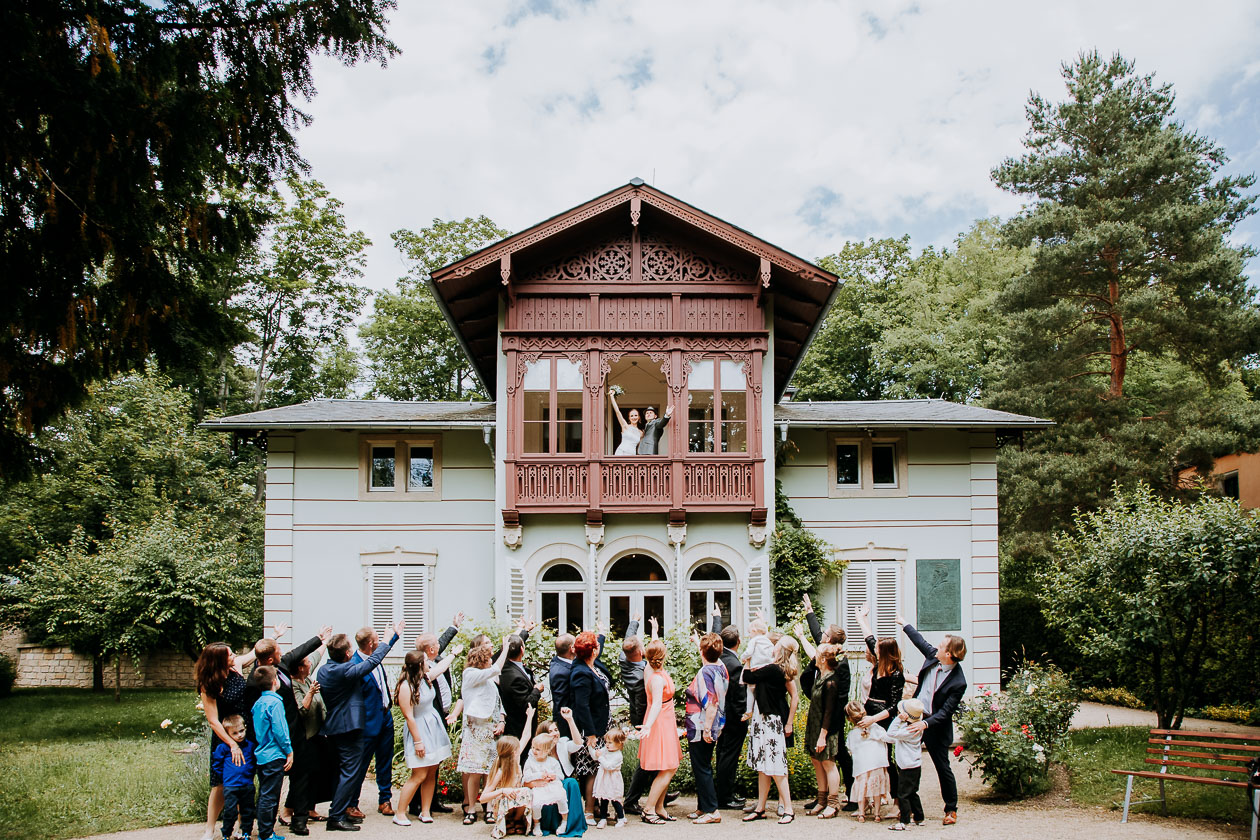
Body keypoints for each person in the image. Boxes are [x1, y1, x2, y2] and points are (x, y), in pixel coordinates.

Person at [319, 620, 403, 832]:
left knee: (348, 771)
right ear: (348, 655)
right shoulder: (348, 670)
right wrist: (386, 640)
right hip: (350, 728)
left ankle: (339, 812)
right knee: (350, 772)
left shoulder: (325, 670)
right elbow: (371, 662)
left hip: (342, 726)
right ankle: (337, 815)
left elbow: (373, 659)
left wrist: (389, 639)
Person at [197, 627, 281, 840]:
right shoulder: (209, 684)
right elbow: (213, 720)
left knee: (243, 781)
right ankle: (210, 829)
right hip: (225, 738)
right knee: (221, 783)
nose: (234, 656)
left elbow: (255, 652)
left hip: (246, 732)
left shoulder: (235, 666)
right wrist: (231, 744)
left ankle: (239, 827)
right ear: (218, 661)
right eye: (230, 654)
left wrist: (275, 636)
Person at [253, 625, 332, 837]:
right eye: (278, 652)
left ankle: (299, 820)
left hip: (297, 733)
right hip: (275, 737)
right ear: (270, 660)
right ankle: (265, 829)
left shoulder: (284, 665)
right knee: (271, 787)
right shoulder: (257, 680)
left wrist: (319, 638)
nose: (283, 654)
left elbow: (299, 652)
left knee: (302, 777)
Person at [897, 613, 967, 826]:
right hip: (915, 716)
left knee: (942, 767)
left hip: (935, 726)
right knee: (906, 762)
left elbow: (945, 712)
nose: (936, 646)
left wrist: (925, 724)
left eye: (941, 645)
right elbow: (921, 642)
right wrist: (904, 623)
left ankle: (951, 809)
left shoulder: (958, 682)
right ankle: (907, 808)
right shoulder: (933, 657)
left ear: (949, 654)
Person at [393, 646, 460, 825]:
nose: (429, 663)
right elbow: (408, 716)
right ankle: (399, 813)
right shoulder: (406, 686)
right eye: (425, 661)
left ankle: (425, 810)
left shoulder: (425, 678)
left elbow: (442, 667)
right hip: (420, 729)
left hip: (433, 727)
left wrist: (454, 653)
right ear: (420, 665)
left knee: (431, 772)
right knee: (419, 774)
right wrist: (418, 742)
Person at [799, 595, 855, 810]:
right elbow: (817, 634)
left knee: (839, 754)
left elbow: (841, 695)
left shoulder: (840, 664)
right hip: (821, 710)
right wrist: (809, 612)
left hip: (833, 715)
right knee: (822, 755)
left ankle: (852, 795)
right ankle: (822, 796)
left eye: (825, 634)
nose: (821, 635)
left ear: (830, 640)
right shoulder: (827, 652)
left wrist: (829, 721)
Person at [740, 635, 799, 825]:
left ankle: (788, 808)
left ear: (780, 650)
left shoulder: (773, 669)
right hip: (765, 719)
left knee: (775, 766)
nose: (772, 647)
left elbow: (747, 677)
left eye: (776, 645)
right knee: (764, 768)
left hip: (769, 721)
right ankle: (761, 808)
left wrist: (748, 656)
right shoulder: (777, 669)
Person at [410, 614, 464, 817]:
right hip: (429, 718)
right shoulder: (423, 668)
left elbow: (439, 643)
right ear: (431, 651)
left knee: (436, 762)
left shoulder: (432, 656)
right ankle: (416, 804)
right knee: (425, 763)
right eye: (436, 646)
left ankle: (432, 801)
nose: (439, 647)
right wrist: (454, 654)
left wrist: (454, 627)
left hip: (441, 715)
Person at [855, 602, 906, 808]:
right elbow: (869, 637)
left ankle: (896, 800)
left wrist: (873, 719)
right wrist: (861, 618)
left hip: (883, 719)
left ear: (884, 652)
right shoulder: (878, 663)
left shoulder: (896, 675)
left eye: (876, 649)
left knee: (886, 759)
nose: (873, 649)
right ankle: (870, 796)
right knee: (867, 755)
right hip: (869, 712)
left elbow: (894, 706)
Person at [458, 635, 513, 824]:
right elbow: (496, 668)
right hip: (475, 730)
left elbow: (497, 702)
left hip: (491, 730)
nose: (491, 661)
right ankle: (471, 808)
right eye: (488, 659)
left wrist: (502, 720)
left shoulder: (490, 680)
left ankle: (489, 808)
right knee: (474, 772)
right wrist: (505, 647)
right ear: (481, 660)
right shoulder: (470, 675)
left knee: (490, 771)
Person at [348, 627, 398, 819]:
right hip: (368, 722)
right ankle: (352, 804)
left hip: (385, 717)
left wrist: (395, 636)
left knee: (385, 761)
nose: (380, 642)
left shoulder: (375, 657)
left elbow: (383, 651)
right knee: (361, 765)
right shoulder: (355, 664)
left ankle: (385, 800)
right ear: (370, 644)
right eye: (378, 640)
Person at [794, 633, 843, 819]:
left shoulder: (830, 681)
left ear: (823, 659)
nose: (814, 656)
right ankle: (821, 799)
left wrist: (823, 735)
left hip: (825, 728)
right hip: (814, 725)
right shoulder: (819, 676)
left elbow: (829, 711)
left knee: (828, 763)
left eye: (817, 654)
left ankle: (833, 802)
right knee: (817, 761)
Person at [683, 632, 728, 825]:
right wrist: (698, 643)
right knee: (704, 765)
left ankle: (711, 810)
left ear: (703, 651)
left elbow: (710, 704)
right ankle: (703, 807)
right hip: (717, 723)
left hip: (702, 726)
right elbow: (708, 659)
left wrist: (707, 729)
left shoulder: (704, 673)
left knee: (701, 767)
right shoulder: (721, 667)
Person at [634, 639, 681, 824]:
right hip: (660, 722)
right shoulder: (657, 678)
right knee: (670, 766)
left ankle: (659, 807)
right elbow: (655, 706)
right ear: (663, 656)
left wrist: (654, 633)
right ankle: (648, 809)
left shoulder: (651, 670)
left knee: (666, 766)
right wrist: (648, 726)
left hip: (665, 720)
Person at [569, 629, 613, 815]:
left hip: (602, 723)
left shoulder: (590, 663)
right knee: (591, 768)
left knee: (599, 766)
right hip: (592, 728)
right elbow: (582, 705)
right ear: (593, 651)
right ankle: (588, 810)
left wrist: (600, 633)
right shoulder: (580, 672)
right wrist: (591, 734)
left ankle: (596, 806)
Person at [252, 665, 295, 840]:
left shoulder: (258, 703)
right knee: (271, 796)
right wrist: (289, 750)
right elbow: (280, 730)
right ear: (275, 681)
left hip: (261, 754)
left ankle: (265, 829)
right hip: (274, 754)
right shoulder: (275, 702)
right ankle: (266, 832)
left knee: (264, 792)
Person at [711, 614, 748, 812]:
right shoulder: (734, 665)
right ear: (739, 642)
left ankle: (723, 793)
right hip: (733, 719)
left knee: (723, 755)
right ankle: (725, 797)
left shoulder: (719, 658)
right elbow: (737, 695)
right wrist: (743, 716)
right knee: (728, 757)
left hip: (720, 717)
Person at [872, 699, 926, 831]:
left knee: (903, 794)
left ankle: (904, 821)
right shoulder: (913, 727)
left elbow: (892, 733)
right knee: (912, 792)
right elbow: (894, 737)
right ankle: (919, 817)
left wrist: (897, 719)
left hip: (908, 767)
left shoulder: (910, 729)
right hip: (913, 765)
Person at [288, 650, 328, 827]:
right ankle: (291, 812)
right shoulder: (294, 685)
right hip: (304, 736)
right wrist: (311, 693)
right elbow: (301, 709)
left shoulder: (308, 678)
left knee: (315, 773)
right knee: (302, 777)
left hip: (318, 734)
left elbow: (315, 657)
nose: (310, 664)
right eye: (306, 663)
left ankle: (310, 808)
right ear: (299, 668)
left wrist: (323, 641)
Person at [620, 616, 654, 815]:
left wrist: (633, 622)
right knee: (645, 760)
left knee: (651, 758)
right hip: (644, 720)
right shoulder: (642, 676)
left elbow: (628, 640)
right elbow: (642, 705)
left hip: (641, 717)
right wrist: (645, 725)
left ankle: (659, 791)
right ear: (641, 652)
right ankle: (631, 800)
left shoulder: (624, 658)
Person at [479, 735, 535, 839]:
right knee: (511, 794)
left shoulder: (516, 764)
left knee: (526, 791)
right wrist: (503, 791)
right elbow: (483, 798)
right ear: (514, 752)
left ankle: (517, 820)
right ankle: (508, 820)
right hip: (502, 805)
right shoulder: (500, 771)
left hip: (515, 803)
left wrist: (530, 718)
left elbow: (526, 737)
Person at [844, 700, 890, 823]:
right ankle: (877, 814)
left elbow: (850, 749)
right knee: (876, 789)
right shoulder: (876, 728)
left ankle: (861, 813)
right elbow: (887, 738)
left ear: (849, 719)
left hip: (861, 765)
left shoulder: (852, 734)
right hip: (877, 763)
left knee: (861, 788)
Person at [499, 634, 544, 757]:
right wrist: (537, 690)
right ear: (522, 650)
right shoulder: (514, 676)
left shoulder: (506, 666)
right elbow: (526, 703)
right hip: (519, 725)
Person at [213, 715, 257, 840]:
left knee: (248, 811)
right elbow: (217, 765)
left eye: (242, 731)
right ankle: (226, 834)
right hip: (231, 786)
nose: (240, 735)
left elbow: (253, 762)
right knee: (230, 812)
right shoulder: (223, 748)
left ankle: (246, 832)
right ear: (227, 734)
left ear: (245, 728)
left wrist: (250, 774)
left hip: (247, 785)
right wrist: (226, 777)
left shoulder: (250, 746)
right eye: (235, 733)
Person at [523, 733, 568, 835]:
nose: (534, 751)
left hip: (552, 786)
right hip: (539, 787)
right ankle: (537, 824)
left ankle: (564, 821)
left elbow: (561, 776)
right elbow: (526, 777)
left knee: (561, 797)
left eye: (538, 749)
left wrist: (553, 776)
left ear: (547, 751)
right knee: (536, 803)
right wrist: (539, 775)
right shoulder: (530, 762)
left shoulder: (553, 762)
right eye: (533, 747)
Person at [738, 618, 774, 722]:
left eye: (749, 632)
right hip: (765, 668)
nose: (749, 635)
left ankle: (749, 710)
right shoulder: (768, 641)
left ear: (754, 631)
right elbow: (772, 654)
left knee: (750, 690)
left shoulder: (754, 640)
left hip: (754, 669)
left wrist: (743, 657)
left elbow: (749, 652)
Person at [592, 728, 627, 828]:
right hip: (604, 779)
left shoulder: (618, 756)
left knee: (615, 799)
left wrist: (600, 758)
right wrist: (596, 751)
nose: (607, 745)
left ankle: (621, 817)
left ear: (619, 743)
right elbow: (599, 753)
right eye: (606, 742)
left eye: (610, 742)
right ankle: (603, 818)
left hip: (613, 780)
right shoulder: (606, 750)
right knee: (603, 799)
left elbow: (609, 766)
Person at [549, 634, 577, 739]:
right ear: (572, 649)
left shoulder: (558, 659)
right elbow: (560, 701)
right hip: (567, 721)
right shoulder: (560, 672)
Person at [608, 390, 642, 456]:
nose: (634, 417)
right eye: (631, 416)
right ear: (629, 418)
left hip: (632, 454)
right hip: (622, 452)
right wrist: (612, 397)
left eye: (635, 415)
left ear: (639, 417)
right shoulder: (625, 426)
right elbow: (617, 412)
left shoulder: (641, 433)